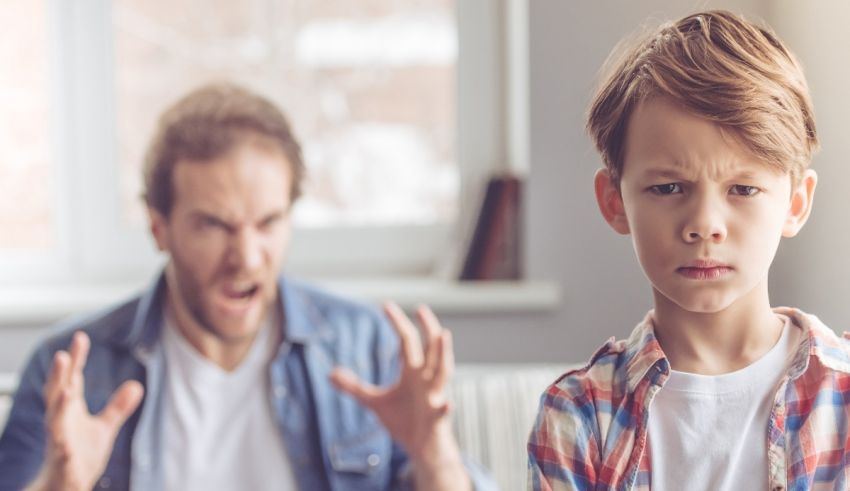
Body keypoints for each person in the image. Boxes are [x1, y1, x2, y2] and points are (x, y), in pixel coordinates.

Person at [0, 83, 495, 491]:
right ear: (159, 228)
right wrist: (61, 483)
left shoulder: (365, 346)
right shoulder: (69, 368)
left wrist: (435, 456)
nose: (247, 258)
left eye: (268, 222)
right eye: (214, 226)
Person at [527, 10, 848, 491]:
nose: (704, 226)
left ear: (795, 203)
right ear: (614, 202)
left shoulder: (842, 397)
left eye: (742, 190)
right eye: (669, 187)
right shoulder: (578, 415)